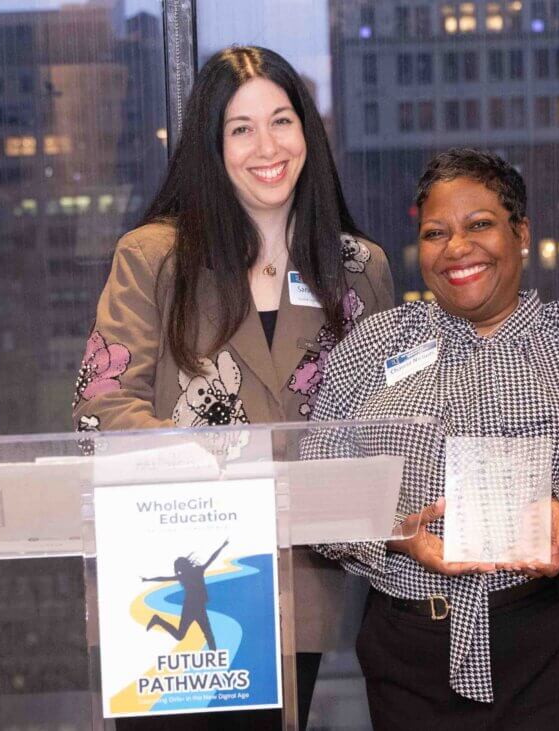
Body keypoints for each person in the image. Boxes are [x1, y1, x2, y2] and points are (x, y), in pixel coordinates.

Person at [72, 46, 394, 730]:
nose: (267, 146)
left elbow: (381, 419)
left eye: (282, 120)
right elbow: (100, 407)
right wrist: (212, 459)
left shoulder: (358, 268)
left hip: (299, 590)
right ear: (212, 147)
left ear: (309, 130)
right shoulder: (155, 256)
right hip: (164, 587)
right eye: (241, 128)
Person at [311, 148, 559, 730]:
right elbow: (318, 498)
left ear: (521, 232)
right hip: (410, 657)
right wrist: (393, 529)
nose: (457, 248)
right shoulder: (370, 349)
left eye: (479, 224)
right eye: (436, 232)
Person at [142, 539, 230, 650]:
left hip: (199, 608)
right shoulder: (190, 573)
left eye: (179, 568)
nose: (179, 571)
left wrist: (222, 546)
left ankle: (158, 620)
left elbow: (212, 557)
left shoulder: (196, 571)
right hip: (189, 608)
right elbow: (163, 578)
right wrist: (148, 579)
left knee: (207, 635)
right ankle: (157, 620)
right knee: (187, 635)